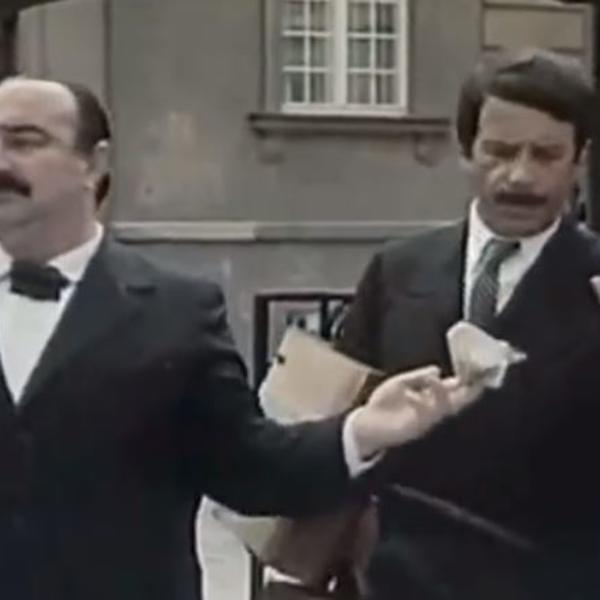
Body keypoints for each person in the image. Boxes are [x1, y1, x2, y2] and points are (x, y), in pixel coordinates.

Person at [0, 76, 477, 600]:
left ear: (94, 163)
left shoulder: (174, 311)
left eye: (24, 141)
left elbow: (249, 469)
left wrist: (361, 430)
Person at [337, 48, 600, 599]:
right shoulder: (397, 270)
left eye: (546, 155)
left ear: (580, 161)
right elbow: (333, 424)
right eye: (499, 152)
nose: (520, 176)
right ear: (465, 152)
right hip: (399, 582)